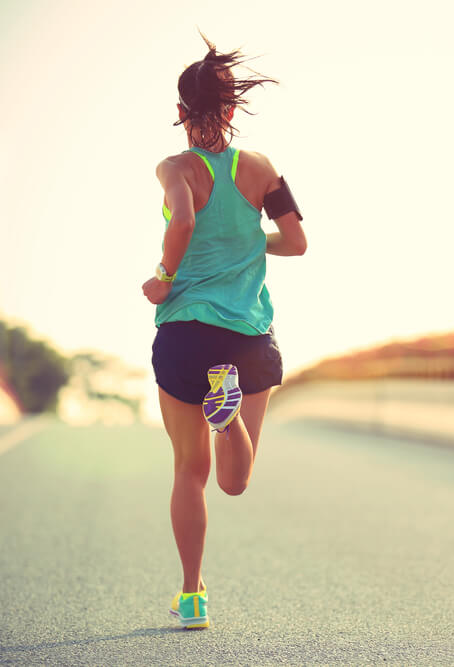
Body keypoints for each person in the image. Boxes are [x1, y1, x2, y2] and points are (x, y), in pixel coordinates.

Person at [142, 35, 306, 630]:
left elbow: (183, 218)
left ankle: (192, 595)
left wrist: (164, 276)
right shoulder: (260, 169)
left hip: (187, 333)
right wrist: (247, 242)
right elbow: (297, 242)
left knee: (190, 471)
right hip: (248, 339)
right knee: (236, 481)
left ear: (181, 113)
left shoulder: (175, 167)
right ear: (234, 110)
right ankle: (228, 416)